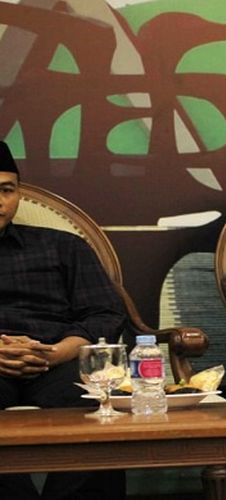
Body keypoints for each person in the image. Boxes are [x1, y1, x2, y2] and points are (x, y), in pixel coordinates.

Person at [0, 140, 127, 499]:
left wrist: (58, 351)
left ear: (19, 193)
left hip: (58, 360)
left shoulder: (63, 246)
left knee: (98, 400)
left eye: (6, 190)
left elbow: (104, 313)